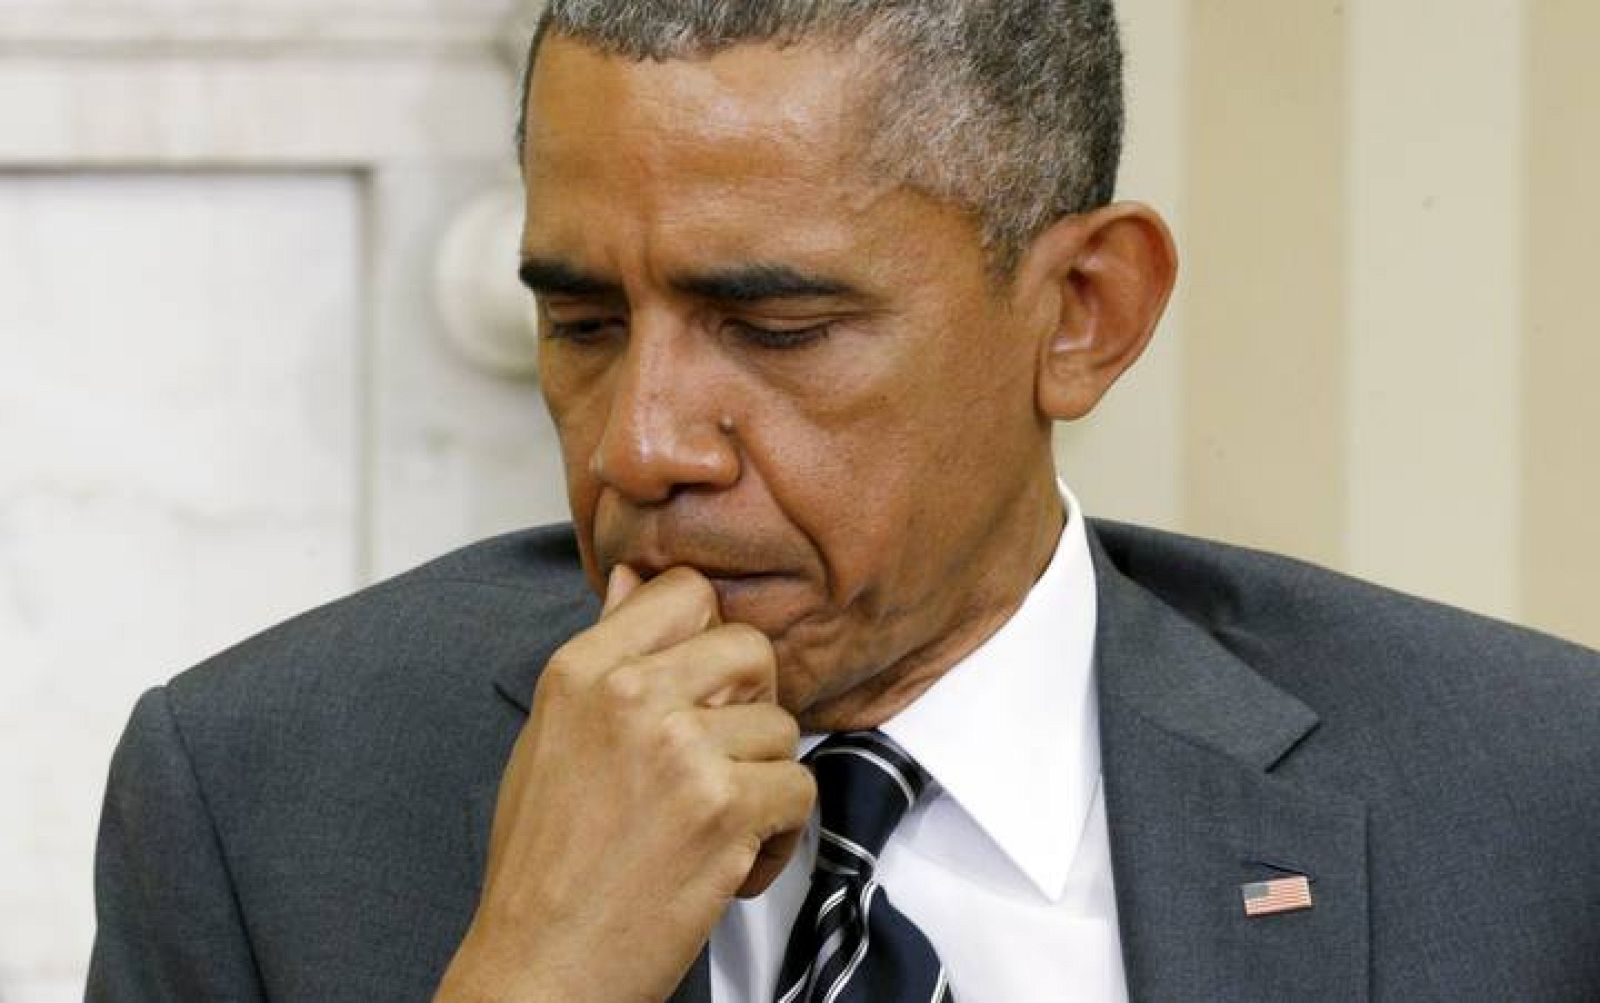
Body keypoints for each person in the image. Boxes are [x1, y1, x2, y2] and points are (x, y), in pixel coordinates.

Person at [88, 2, 1600, 1001]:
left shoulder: (1532, 802)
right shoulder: (264, 800)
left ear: (1084, 311)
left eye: (776, 328)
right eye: (584, 324)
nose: (642, 446)